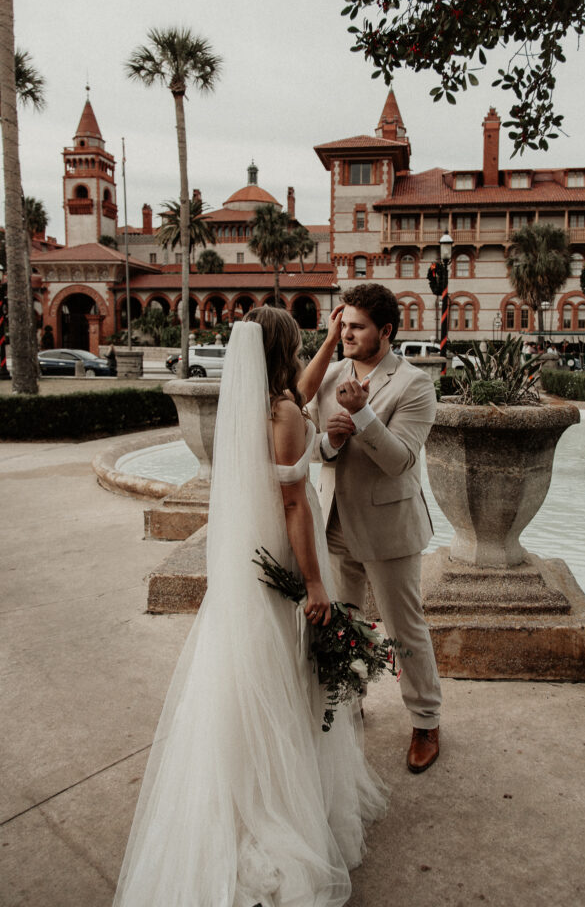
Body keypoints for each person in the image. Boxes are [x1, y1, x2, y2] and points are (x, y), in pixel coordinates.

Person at [113, 306, 386, 907]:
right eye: (297, 344)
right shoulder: (283, 413)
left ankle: (245, 783)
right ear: (281, 349)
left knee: (249, 671)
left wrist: (324, 350)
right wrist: (315, 585)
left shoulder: (252, 406)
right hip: (282, 554)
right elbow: (293, 504)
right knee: (282, 669)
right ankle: (274, 807)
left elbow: (300, 393)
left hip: (248, 550)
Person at [308, 284, 442, 774]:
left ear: (385, 332)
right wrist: (329, 441)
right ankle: (350, 703)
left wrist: (363, 413)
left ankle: (426, 720)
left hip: (388, 527)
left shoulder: (414, 384)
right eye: (344, 324)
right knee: (345, 622)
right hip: (334, 521)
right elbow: (309, 442)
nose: (347, 333)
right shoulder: (332, 373)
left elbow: (401, 460)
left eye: (357, 326)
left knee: (404, 629)